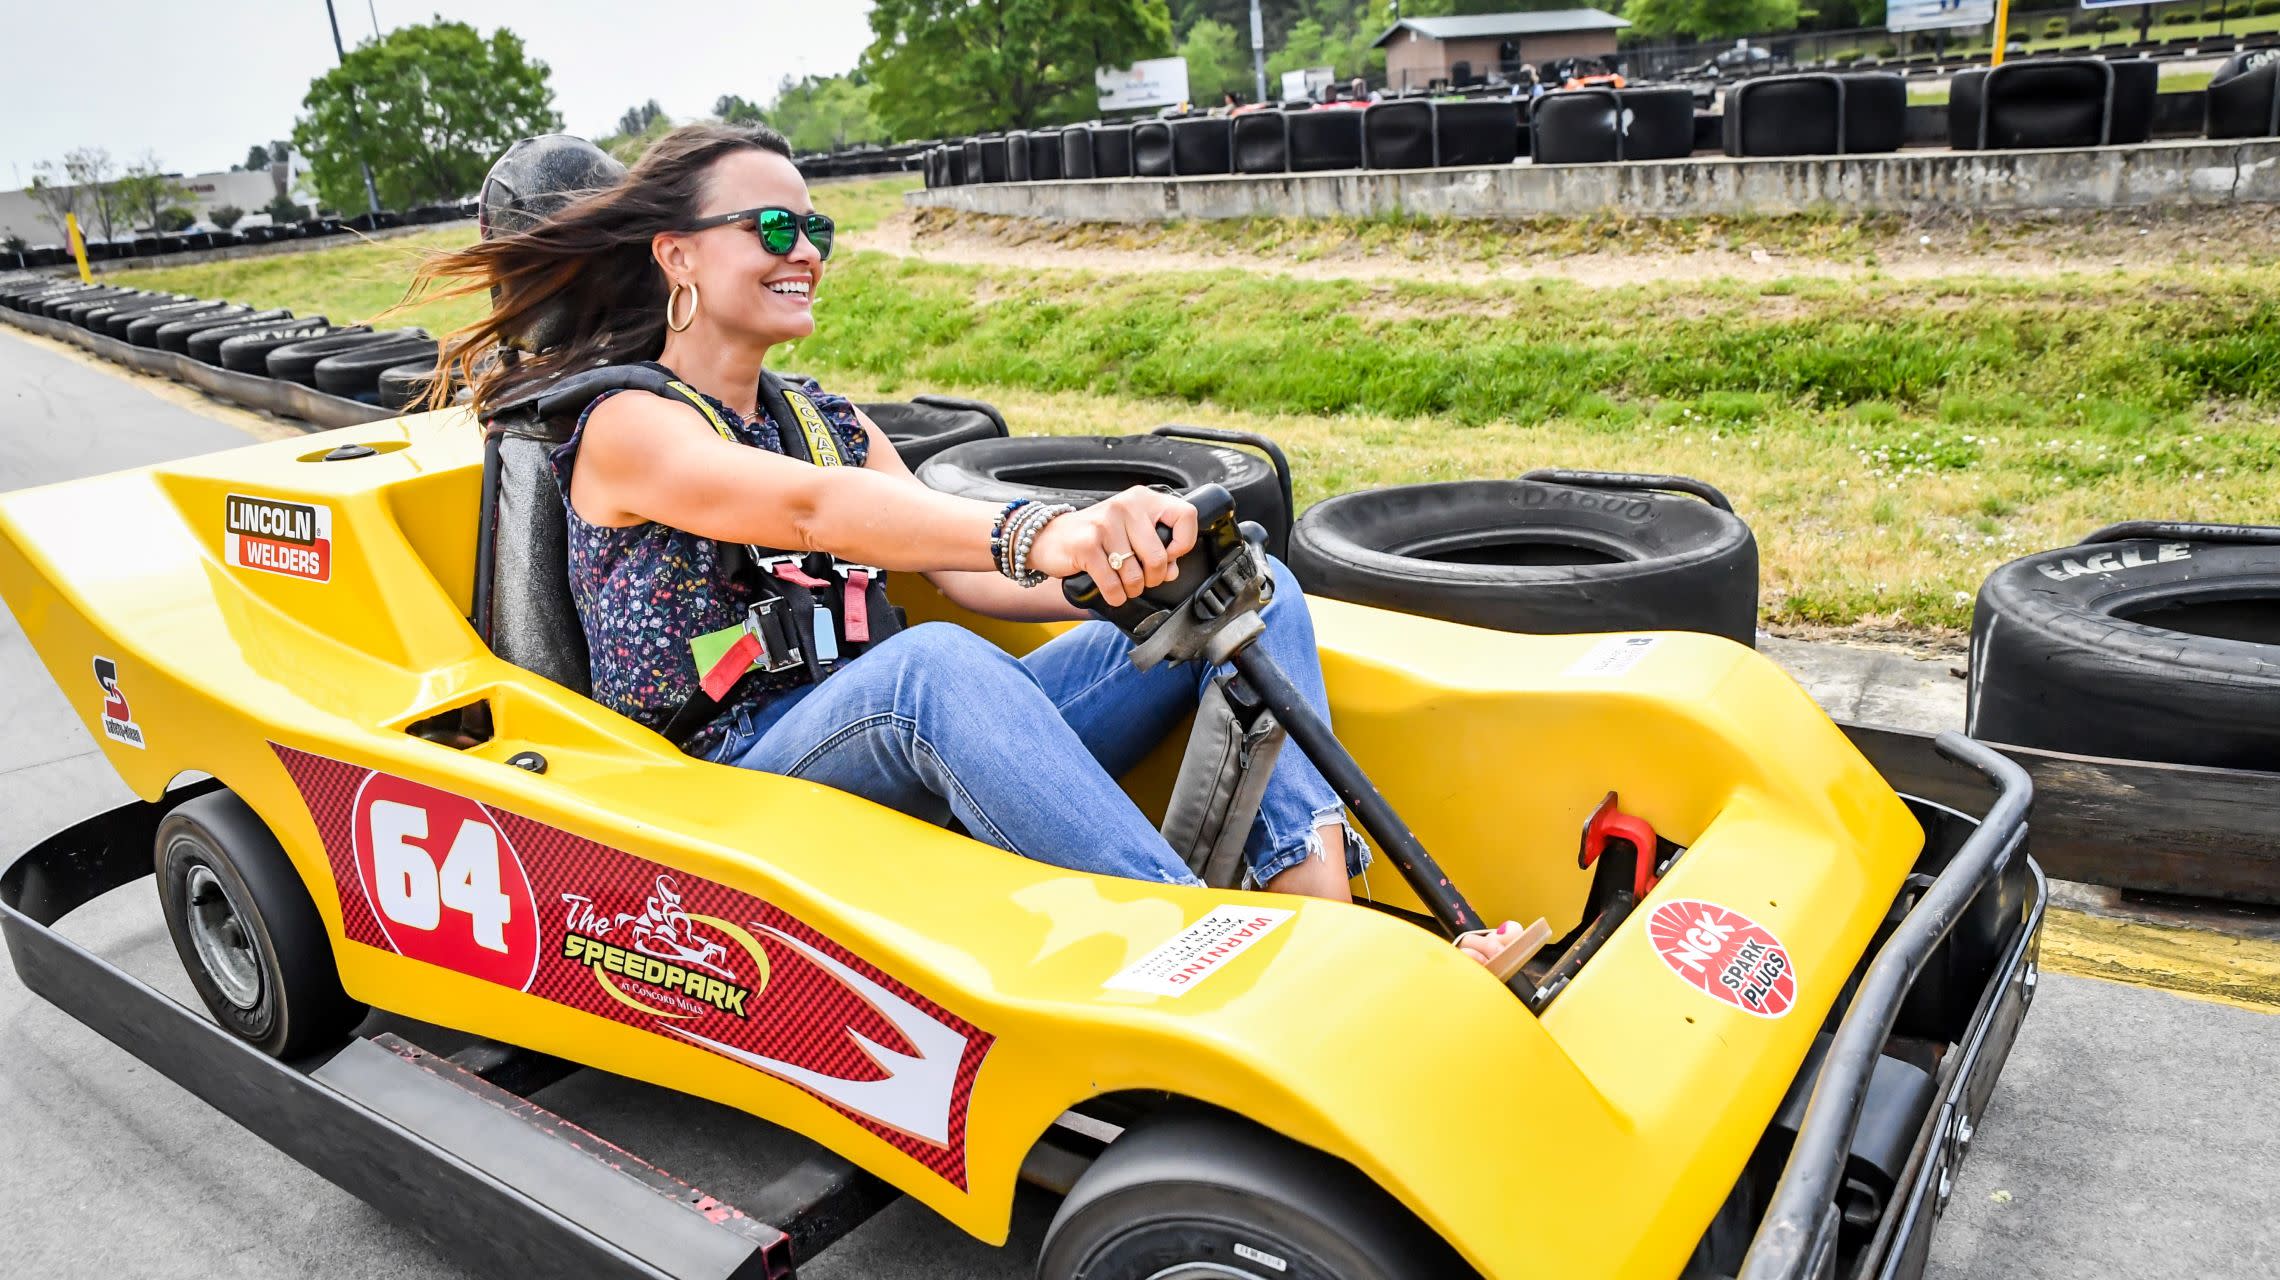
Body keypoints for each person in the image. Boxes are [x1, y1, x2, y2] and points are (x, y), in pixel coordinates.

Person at [413, 124, 1521, 964]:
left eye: (820, 231)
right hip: (720, 784)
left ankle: (1328, 936)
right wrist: (1044, 525)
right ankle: (1213, 957)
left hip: (875, 733)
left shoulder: (827, 417)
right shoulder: (625, 426)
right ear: (678, 258)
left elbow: (960, 574)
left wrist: (1128, 574)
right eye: (775, 229)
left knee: (1250, 585)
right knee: (926, 673)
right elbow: (808, 512)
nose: (807, 252)